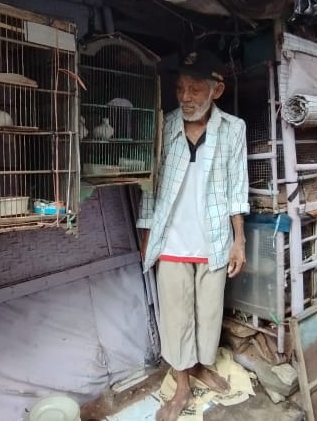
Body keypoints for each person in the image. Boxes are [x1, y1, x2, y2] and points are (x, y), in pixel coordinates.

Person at [137, 50, 249, 421]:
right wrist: (146, 232)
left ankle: (201, 365)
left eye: (195, 88)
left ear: (216, 90)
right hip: (171, 239)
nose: (185, 97)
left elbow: (237, 188)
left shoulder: (234, 129)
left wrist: (239, 240)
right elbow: (150, 186)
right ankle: (182, 384)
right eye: (180, 88)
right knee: (176, 315)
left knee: (209, 313)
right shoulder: (164, 125)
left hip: (214, 239)